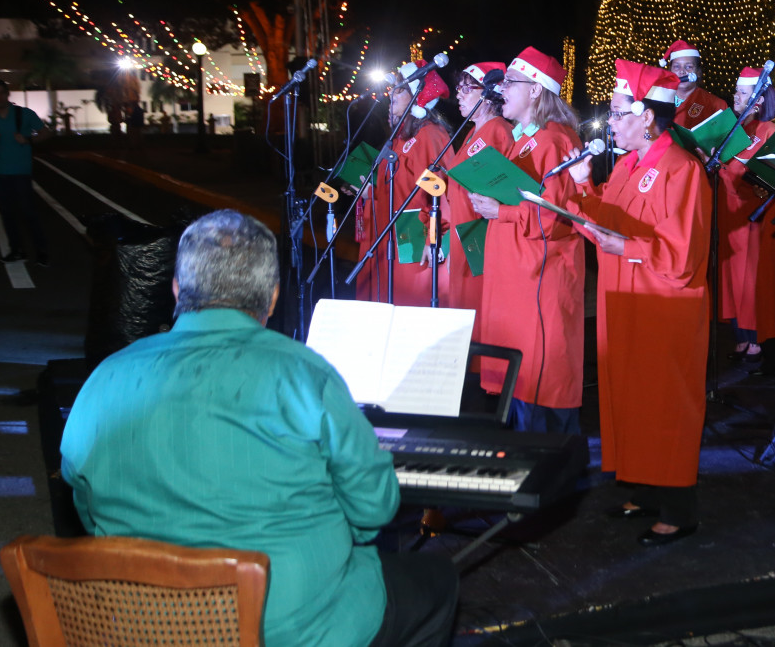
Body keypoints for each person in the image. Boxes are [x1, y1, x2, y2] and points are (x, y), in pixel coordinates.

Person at [60, 210, 458, 647]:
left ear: (175, 288)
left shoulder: (105, 378)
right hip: (289, 628)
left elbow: (86, 507)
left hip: (142, 626)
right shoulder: (306, 374)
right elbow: (374, 510)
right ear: (272, 298)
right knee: (435, 580)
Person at [565, 60, 710, 546]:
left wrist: (627, 247)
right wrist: (580, 188)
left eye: (617, 112)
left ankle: (679, 509)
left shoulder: (682, 168)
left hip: (664, 305)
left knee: (665, 401)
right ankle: (646, 489)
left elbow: (684, 255)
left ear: (647, 116)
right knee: (632, 395)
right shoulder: (628, 165)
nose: (610, 121)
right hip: (625, 299)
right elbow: (606, 223)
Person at [468, 46, 585, 433]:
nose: (502, 91)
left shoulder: (554, 140)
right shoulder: (525, 140)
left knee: (541, 375)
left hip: (539, 277)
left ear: (536, 90)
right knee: (522, 375)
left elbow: (554, 215)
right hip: (518, 275)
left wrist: (498, 211)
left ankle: (549, 459)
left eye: (511, 84)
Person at [354, 61, 451, 306]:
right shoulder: (402, 137)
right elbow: (401, 188)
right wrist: (372, 192)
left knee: (411, 310)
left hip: (415, 243)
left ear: (417, 95)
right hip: (393, 241)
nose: (391, 94)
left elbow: (439, 194)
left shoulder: (430, 135)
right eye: (393, 88)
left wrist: (433, 239)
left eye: (399, 89)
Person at [443, 62, 512, 391]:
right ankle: (467, 378)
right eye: (458, 88)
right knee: (464, 309)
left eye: (465, 88)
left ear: (487, 94)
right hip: (462, 238)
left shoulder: (499, 131)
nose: (458, 95)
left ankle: (485, 383)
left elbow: (501, 189)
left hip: (481, 240)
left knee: (480, 311)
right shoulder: (472, 133)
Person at [718, 66, 775, 366]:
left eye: (742, 93)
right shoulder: (733, 128)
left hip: (752, 218)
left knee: (749, 281)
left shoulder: (768, 132)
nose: (735, 96)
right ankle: (741, 336)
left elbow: (764, 176)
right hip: (728, 215)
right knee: (731, 280)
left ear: (758, 100)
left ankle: (755, 338)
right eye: (736, 91)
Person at [0, 79, 49, 265]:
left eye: (1, 93)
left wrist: (28, 140)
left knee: (28, 212)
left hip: (21, 172)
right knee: (7, 214)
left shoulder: (23, 113)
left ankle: (41, 251)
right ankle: (17, 250)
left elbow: (45, 132)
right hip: (0, 173)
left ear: (7, 94)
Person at [661, 38, 726, 129]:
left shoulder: (717, 105)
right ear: (670, 71)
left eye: (688, 67)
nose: (682, 72)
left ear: (698, 72)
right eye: (676, 67)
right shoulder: (658, 99)